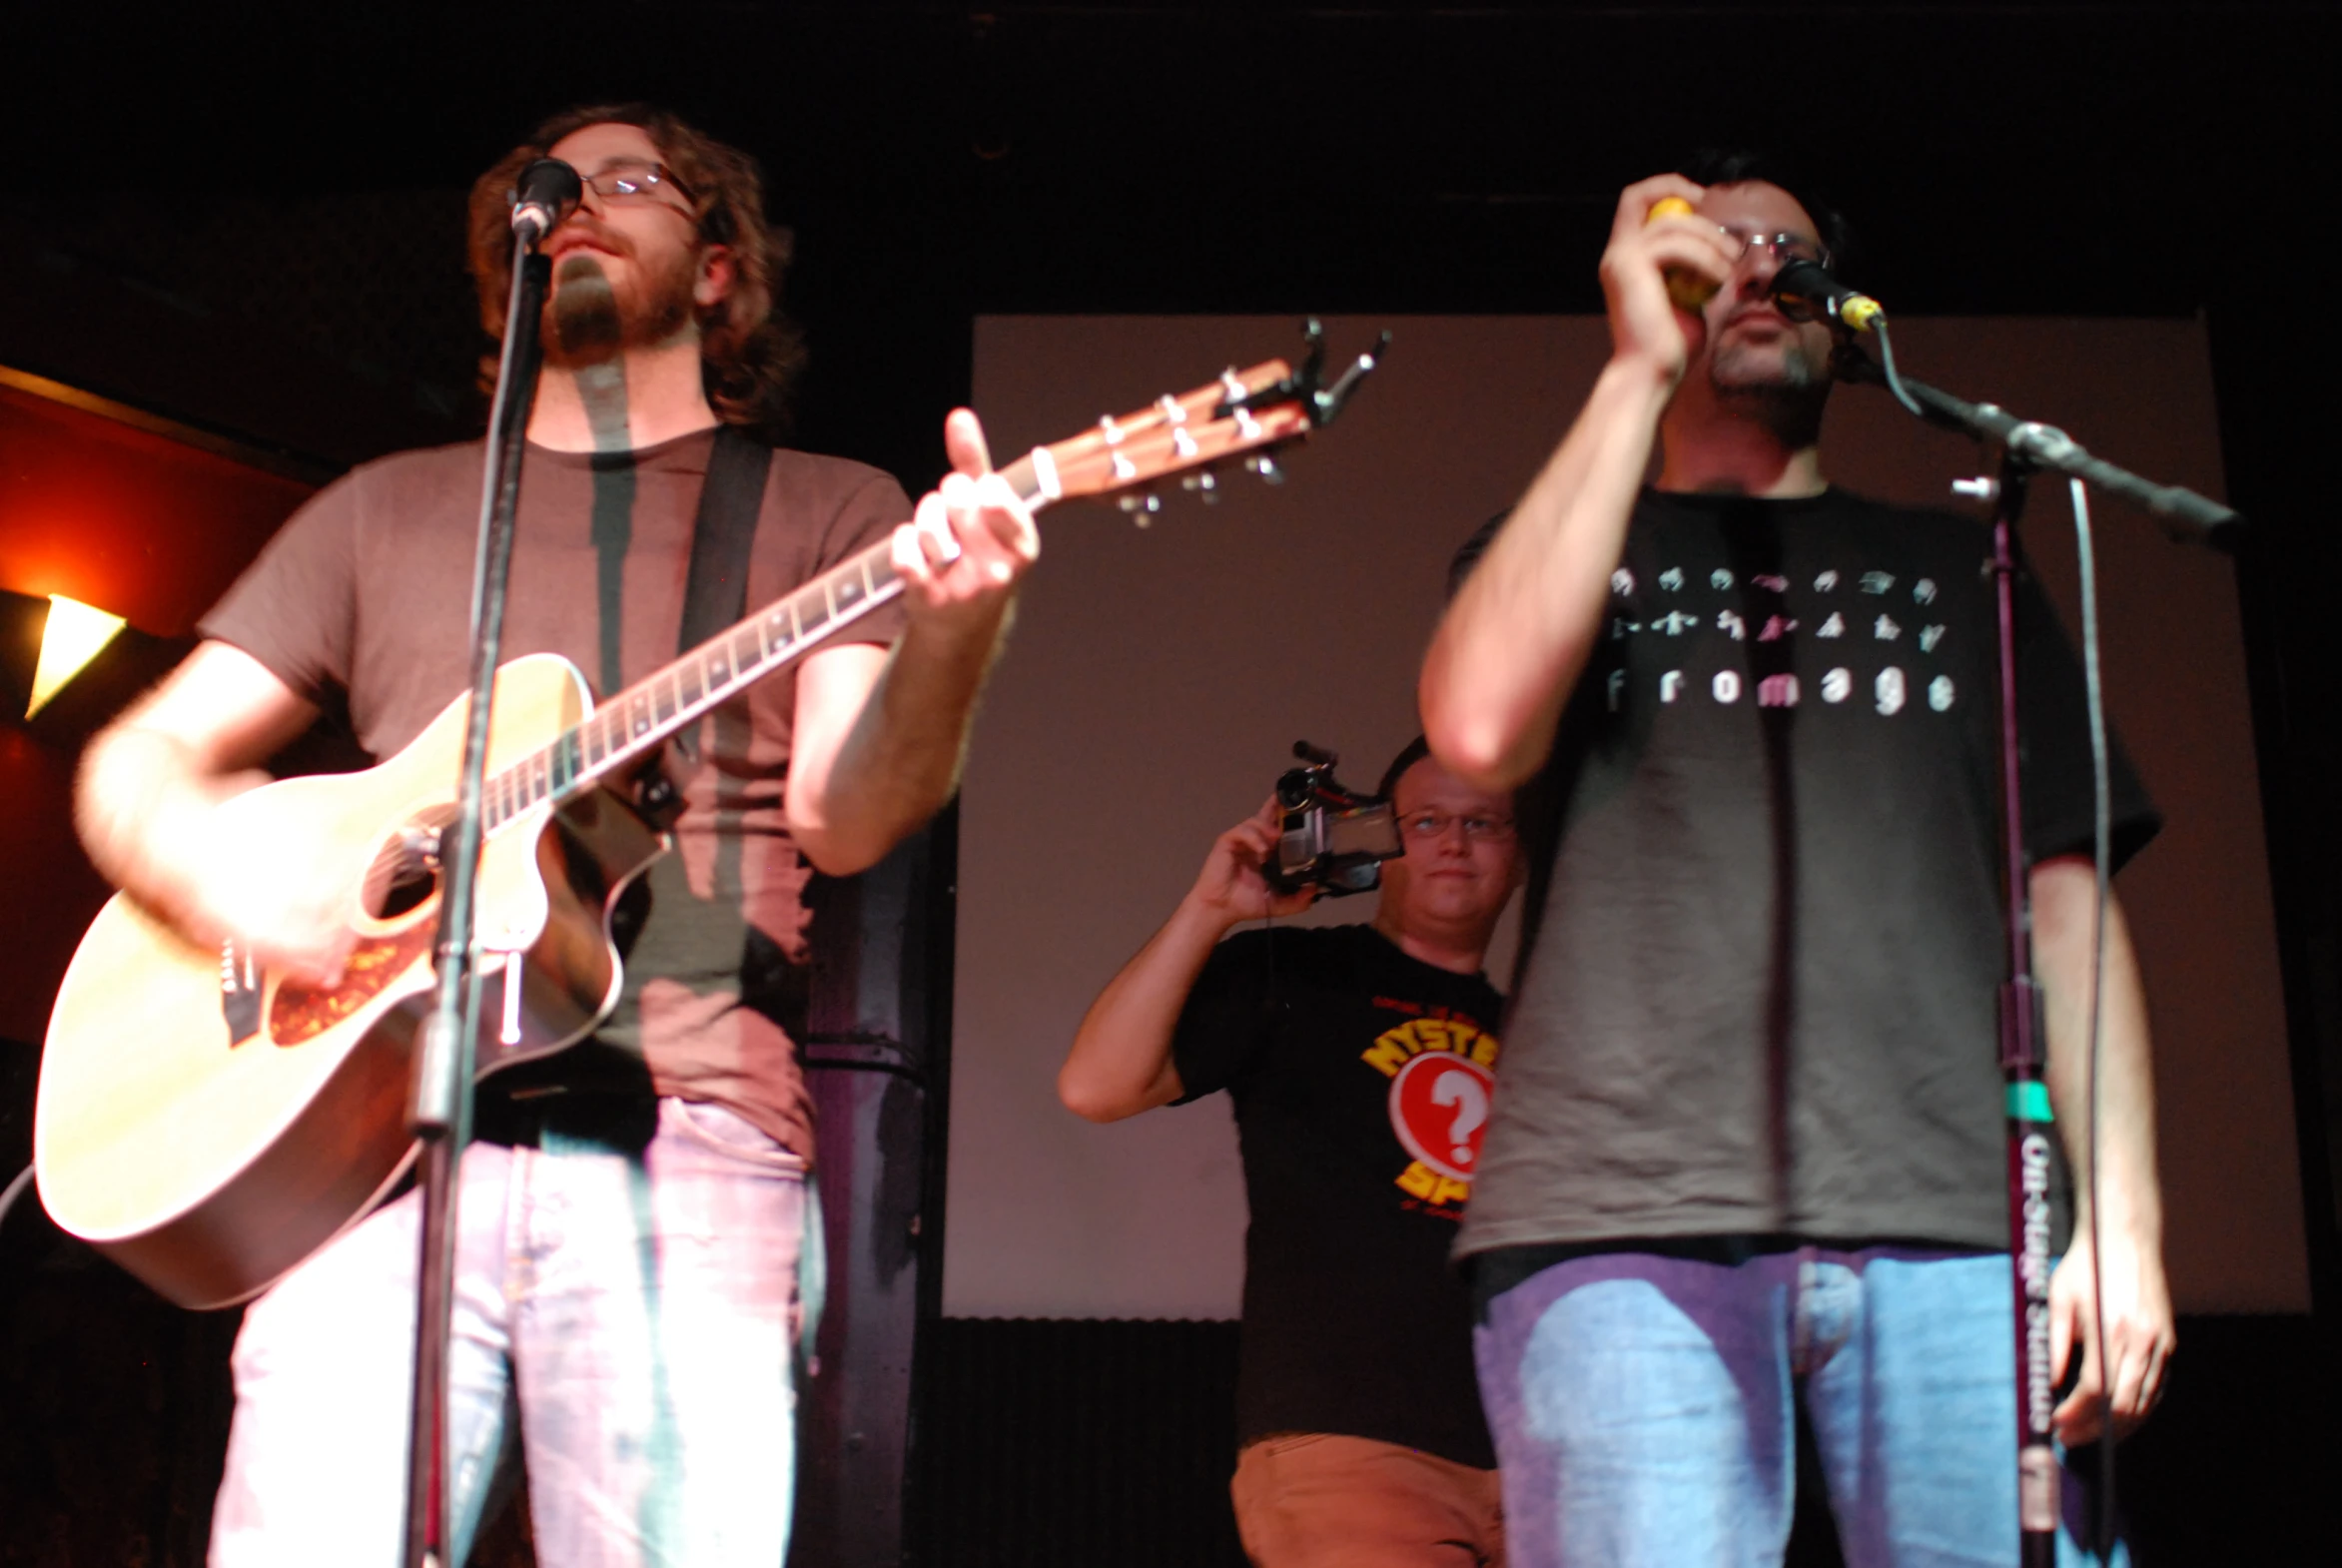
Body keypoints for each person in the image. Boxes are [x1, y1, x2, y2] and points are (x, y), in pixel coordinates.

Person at [72, 104, 1039, 1566]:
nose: (575, 200)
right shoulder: (379, 515)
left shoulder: (830, 509)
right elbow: (133, 767)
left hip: (686, 1130)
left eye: (628, 180)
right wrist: (233, 872)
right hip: (371, 1148)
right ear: (506, 270)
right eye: (546, 190)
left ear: (718, 271)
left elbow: (849, 817)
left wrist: (957, 633)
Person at [1416, 151, 2175, 1566]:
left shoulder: (1965, 573)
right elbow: (1471, 721)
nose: (1760, 266)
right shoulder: (1576, 548)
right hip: (1618, 1219)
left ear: (1846, 316)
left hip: (1956, 1224)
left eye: (1792, 249)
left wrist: (2117, 1224)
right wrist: (1636, 365)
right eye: (1719, 245)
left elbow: (2068, 906)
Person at [1059, 739, 1522, 1568]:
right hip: (1352, 1443)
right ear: (1380, 841)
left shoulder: (1542, 1028)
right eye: (1425, 821)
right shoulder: (1297, 975)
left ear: (1519, 855)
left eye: (1481, 823)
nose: (1452, 843)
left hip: (1538, 1456)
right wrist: (1211, 909)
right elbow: (1096, 1086)